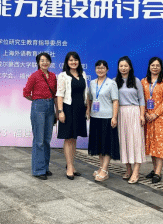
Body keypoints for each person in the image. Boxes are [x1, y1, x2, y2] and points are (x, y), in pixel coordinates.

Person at [23, 53, 58, 180]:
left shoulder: (53, 76)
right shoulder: (34, 76)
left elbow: (55, 94)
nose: (45, 63)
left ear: (50, 62)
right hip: (39, 107)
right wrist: (37, 101)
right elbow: (26, 92)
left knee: (47, 139)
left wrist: (57, 111)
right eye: (42, 60)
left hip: (50, 106)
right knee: (39, 140)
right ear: (38, 62)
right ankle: (38, 170)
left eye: (47, 60)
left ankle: (45, 168)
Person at [56, 52, 89, 180]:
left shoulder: (83, 74)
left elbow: (86, 93)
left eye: (75, 60)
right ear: (67, 62)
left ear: (79, 61)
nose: (73, 62)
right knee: (68, 138)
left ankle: (72, 164)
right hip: (68, 109)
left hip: (80, 109)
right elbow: (60, 94)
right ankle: (69, 166)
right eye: (70, 60)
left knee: (74, 138)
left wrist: (87, 108)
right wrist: (60, 111)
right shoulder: (63, 76)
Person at [115, 56, 146, 184]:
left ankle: (136, 171)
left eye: (125, 66)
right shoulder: (115, 81)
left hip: (134, 112)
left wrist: (142, 115)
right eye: (121, 66)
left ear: (130, 67)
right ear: (118, 67)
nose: (123, 68)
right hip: (121, 113)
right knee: (124, 142)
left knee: (136, 142)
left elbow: (142, 99)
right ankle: (128, 169)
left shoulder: (136, 81)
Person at [87, 60, 120, 182]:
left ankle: (105, 170)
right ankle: (101, 167)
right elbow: (90, 98)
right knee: (99, 144)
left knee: (107, 145)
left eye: (102, 68)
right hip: (95, 117)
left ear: (107, 69)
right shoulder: (92, 83)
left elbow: (115, 101)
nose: (100, 70)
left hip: (107, 118)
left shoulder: (111, 83)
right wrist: (88, 110)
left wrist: (114, 117)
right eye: (98, 68)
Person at [141, 57, 163, 184]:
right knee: (151, 145)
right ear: (149, 67)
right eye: (152, 65)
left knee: (159, 145)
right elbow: (140, 99)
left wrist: (155, 114)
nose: (155, 67)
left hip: (160, 119)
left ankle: (158, 172)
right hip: (147, 118)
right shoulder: (143, 82)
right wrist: (145, 113)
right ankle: (154, 169)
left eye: (157, 65)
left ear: (161, 67)